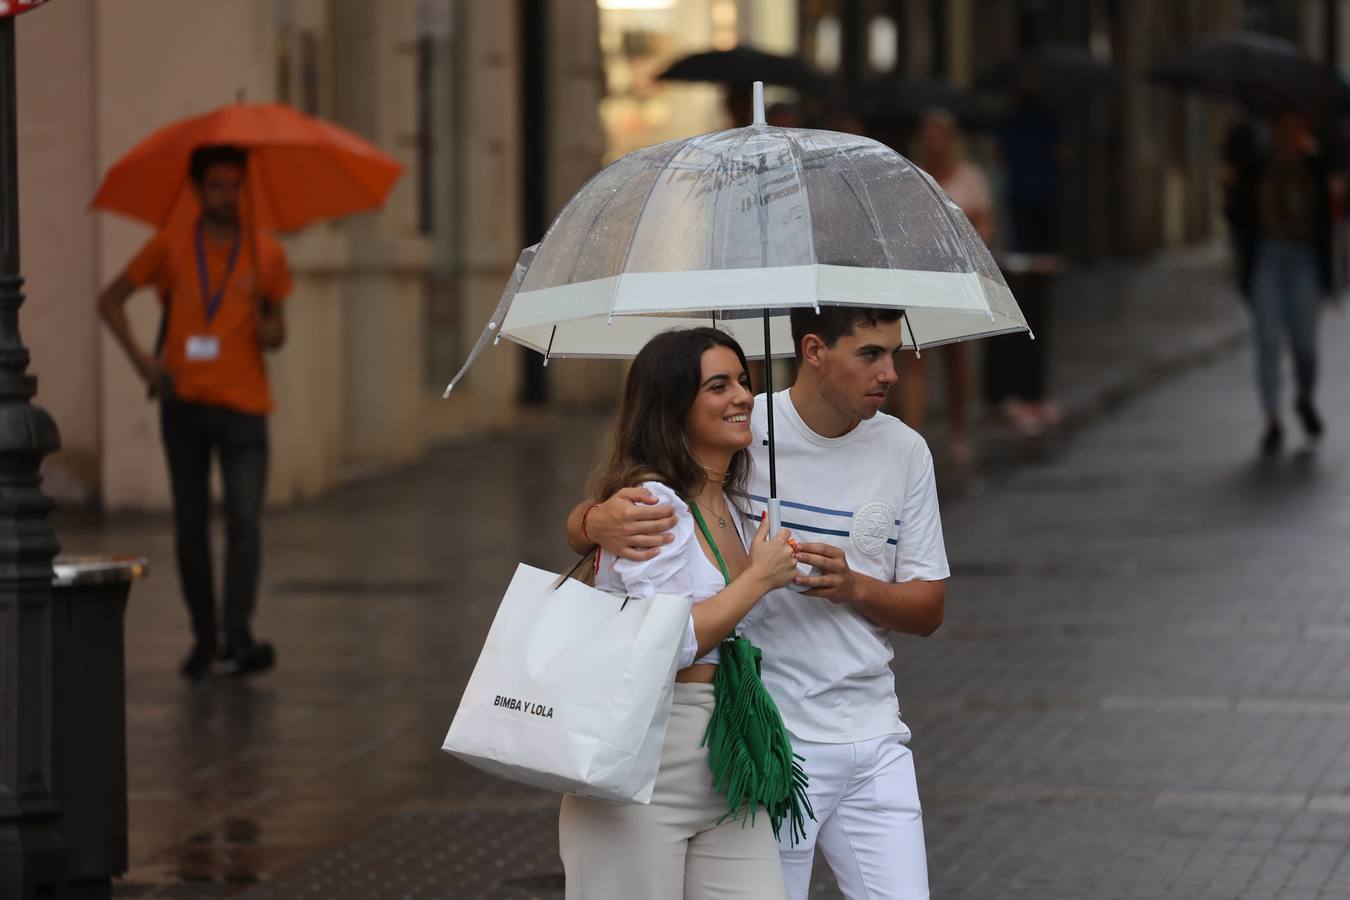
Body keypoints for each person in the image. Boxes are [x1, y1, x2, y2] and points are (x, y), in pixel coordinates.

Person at [569, 308, 950, 900]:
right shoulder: (716, 457)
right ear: (815, 350)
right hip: (742, 736)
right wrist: (592, 520)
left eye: (742, 381)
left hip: (796, 740)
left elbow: (929, 606)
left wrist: (852, 586)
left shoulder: (892, 452)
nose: (740, 397)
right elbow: (633, 541)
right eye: (870, 353)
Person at [559, 327, 800, 900]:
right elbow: (665, 643)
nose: (742, 395)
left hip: (729, 746)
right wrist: (760, 579)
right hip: (646, 754)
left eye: (743, 380)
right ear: (673, 406)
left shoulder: (737, 504)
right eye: (718, 385)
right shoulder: (653, 506)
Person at [98, 144, 291, 680]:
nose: (226, 196)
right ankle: (205, 639)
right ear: (198, 190)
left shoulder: (266, 254)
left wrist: (265, 321)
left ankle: (239, 634)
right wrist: (143, 362)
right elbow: (110, 299)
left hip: (246, 407)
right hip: (183, 404)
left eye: (234, 185)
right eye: (216, 186)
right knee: (189, 525)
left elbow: (278, 335)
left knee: (245, 522)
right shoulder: (171, 247)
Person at [1227, 109, 1335, 454]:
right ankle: (1272, 419)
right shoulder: (1256, 166)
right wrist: (1232, 190)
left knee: (1304, 344)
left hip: (1304, 261)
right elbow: (1238, 216)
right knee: (1268, 340)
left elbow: (1330, 221)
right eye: (1282, 124)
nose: (1289, 131)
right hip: (1267, 261)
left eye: (1296, 124)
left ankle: (1304, 397)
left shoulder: (1317, 166)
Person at [901, 109, 996, 466]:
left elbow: (985, 224)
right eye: (927, 135)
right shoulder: (911, 176)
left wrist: (963, 251)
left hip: (955, 280)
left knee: (956, 360)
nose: (932, 142)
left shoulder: (969, 177)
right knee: (913, 358)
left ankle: (959, 430)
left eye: (938, 134)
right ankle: (912, 438)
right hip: (918, 278)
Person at [986, 85, 1065, 434]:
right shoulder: (1048, 121)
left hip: (1020, 197)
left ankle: (1019, 392)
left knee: (1023, 264)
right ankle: (1023, 392)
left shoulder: (1011, 124)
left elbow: (998, 155)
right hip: (1041, 195)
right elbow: (1064, 154)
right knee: (1034, 282)